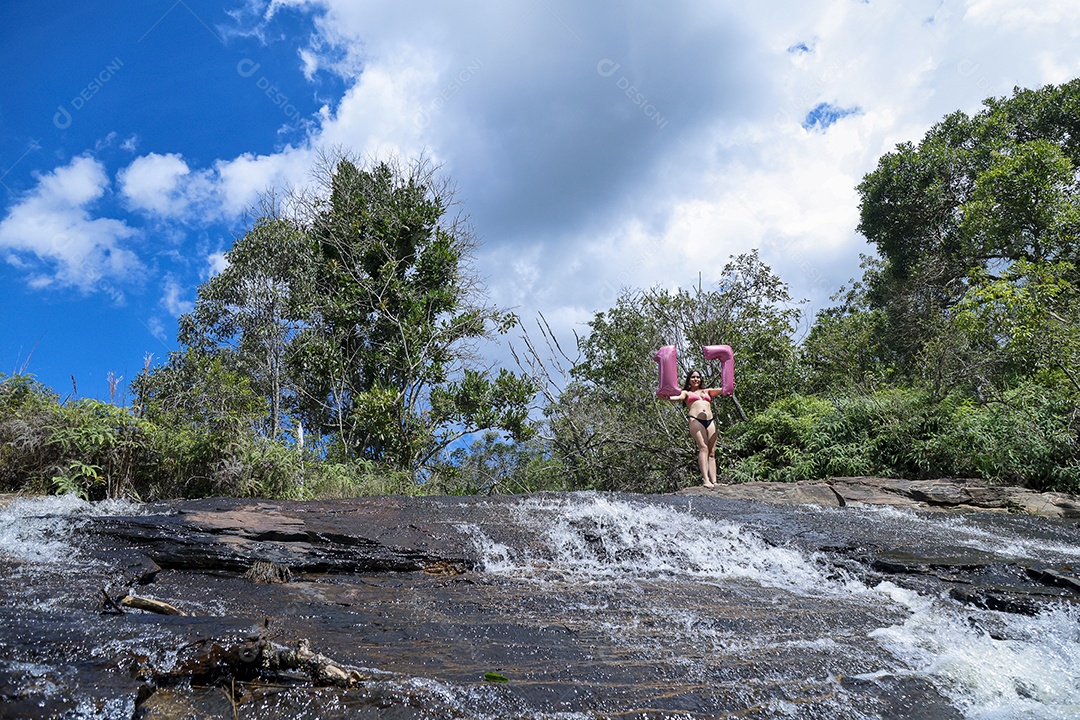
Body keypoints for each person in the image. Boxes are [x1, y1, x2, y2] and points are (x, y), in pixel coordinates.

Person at [669, 370, 722, 487]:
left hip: (710, 421)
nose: (696, 379)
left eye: (698, 377)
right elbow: (675, 398)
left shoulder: (707, 391)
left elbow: (724, 389)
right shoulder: (686, 393)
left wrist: (731, 384)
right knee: (703, 448)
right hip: (695, 420)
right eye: (693, 377)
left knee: (712, 452)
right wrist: (664, 396)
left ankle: (714, 481)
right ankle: (706, 480)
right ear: (689, 379)